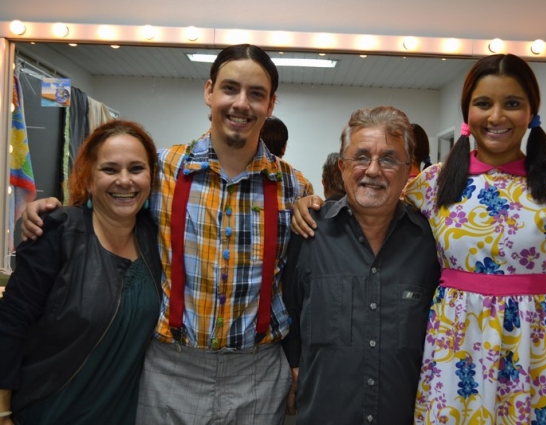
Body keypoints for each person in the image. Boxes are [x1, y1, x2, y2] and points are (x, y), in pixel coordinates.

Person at [292, 54, 546, 424]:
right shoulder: (434, 185)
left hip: (536, 367)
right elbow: (371, 198)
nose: (496, 117)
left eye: (512, 103)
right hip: (454, 369)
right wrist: (311, 201)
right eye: (483, 103)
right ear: (467, 112)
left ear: (531, 112)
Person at [20, 44, 313, 425]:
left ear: (270, 104)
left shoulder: (294, 188)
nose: (241, 103)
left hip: (257, 375)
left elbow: (302, 282)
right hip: (170, 370)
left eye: (256, 94)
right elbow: (101, 211)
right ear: (209, 91)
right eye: (230, 89)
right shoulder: (159, 170)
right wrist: (49, 210)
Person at [282, 106, 440, 424]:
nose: (373, 170)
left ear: (409, 168)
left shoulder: (430, 242)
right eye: (361, 157)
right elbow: (289, 313)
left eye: (389, 159)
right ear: (342, 166)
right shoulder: (308, 232)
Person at [0, 119, 162, 425]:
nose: (125, 180)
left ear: (151, 179)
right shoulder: (57, 233)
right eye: (110, 169)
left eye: (136, 169)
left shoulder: (157, 241)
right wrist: (2, 411)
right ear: (88, 179)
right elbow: (10, 323)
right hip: (45, 413)